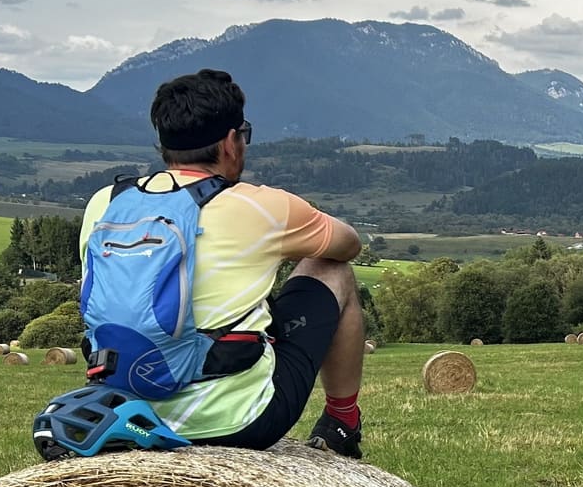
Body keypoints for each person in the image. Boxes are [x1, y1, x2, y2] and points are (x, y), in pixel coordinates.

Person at [78, 68, 367, 457]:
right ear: (231, 142)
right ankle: (342, 423)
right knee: (331, 269)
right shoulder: (260, 205)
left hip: (122, 411)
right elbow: (348, 245)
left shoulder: (107, 202)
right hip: (237, 421)